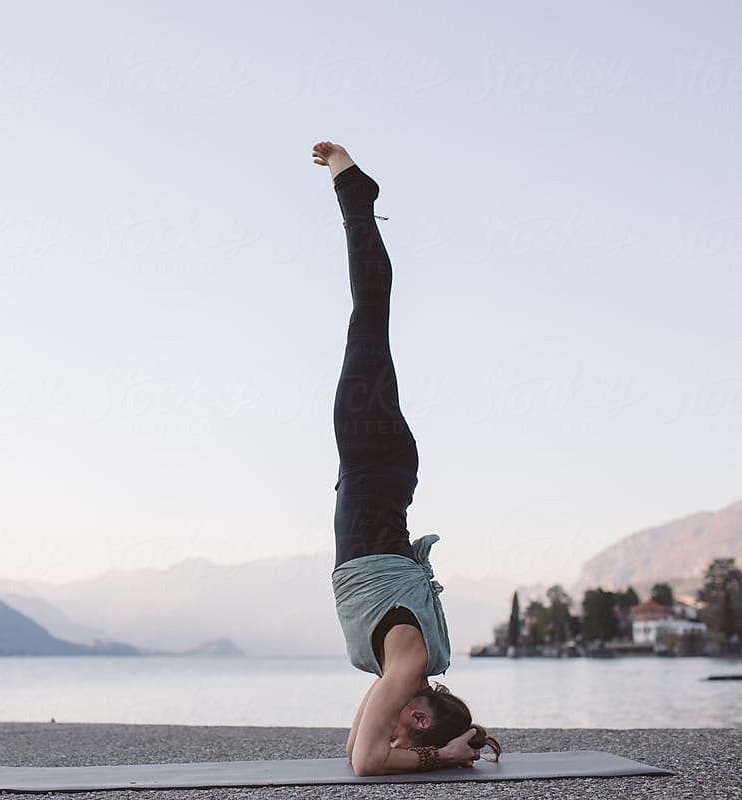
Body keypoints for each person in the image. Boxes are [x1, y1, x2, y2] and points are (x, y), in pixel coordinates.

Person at [311, 141, 502, 777]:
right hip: (373, 467)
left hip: (377, 475)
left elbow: (355, 750)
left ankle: (355, 199)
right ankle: (355, 197)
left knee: (369, 322)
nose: (398, 731)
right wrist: (445, 755)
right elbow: (371, 763)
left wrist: (443, 747)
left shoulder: (404, 669)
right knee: (369, 315)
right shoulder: (411, 666)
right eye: (410, 730)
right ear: (418, 715)